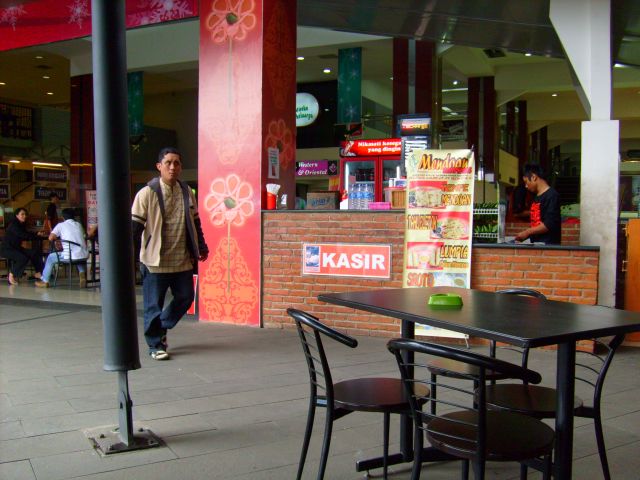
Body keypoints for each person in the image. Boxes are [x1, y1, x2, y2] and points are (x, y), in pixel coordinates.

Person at [131, 147, 209, 361]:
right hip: (155, 261)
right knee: (153, 305)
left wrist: (201, 246)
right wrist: (131, 258)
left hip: (181, 260)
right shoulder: (147, 193)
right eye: (168, 163)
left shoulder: (186, 191)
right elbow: (134, 228)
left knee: (186, 297)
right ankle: (155, 345)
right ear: (159, 166)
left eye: (177, 163)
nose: (173, 167)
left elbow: (195, 222)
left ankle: (161, 326)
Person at [36, 208, 88, 288]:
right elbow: (84, 235)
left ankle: (45, 281)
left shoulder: (61, 225)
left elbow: (50, 238)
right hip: (83, 255)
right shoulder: (78, 225)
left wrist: (58, 237)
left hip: (70, 256)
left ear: (63, 217)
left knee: (50, 257)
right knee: (77, 255)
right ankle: (82, 274)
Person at [515, 164, 561, 245]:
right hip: (537, 245)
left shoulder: (552, 196)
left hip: (548, 246)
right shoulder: (536, 197)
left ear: (533, 177)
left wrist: (527, 232)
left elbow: (549, 224)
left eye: (526, 182)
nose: (526, 186)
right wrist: (527, 235)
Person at [0, 208, 45, 285]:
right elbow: (23, 235)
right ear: (17, 215)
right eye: (22, 214)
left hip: (16, 248)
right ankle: (11, 275)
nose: (25, 216)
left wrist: (36, 233)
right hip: (7, 249)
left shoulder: (21, 224)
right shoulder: (13, 225)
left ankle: (38, 273)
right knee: (23, 258)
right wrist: (36, 235)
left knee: (34, 253)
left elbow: (26, 233)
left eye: (25, 214)